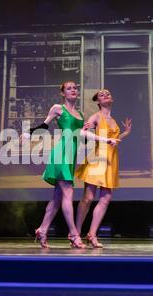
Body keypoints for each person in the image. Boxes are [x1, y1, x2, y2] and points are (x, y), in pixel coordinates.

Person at [21, 81, 94, 249]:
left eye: (75, 88)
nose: (73, 90)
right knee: (68, 192)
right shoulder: (58, 108)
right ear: (63, 93)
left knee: (56, 198)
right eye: (69, 88)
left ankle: (43, 229)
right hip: (61, 153)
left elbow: (80, 139)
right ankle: (74, 234)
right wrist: (28, 133)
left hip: (71, 156)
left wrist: (86, 129)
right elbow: (44, 126)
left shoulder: (81, 114)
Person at [74, 89, 132, 248]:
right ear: (98, 101)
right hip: (97, 158)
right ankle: (75, 234)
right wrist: (87, 129)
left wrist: (125, 133)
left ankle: (92, 234)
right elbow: (83, 133)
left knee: (106, 198)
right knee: (88, 198)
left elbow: (113, 140)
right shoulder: (96, 116)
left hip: (110, 160)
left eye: (108, 93)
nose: (106, 95)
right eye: (102, 94)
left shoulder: (112, 119)